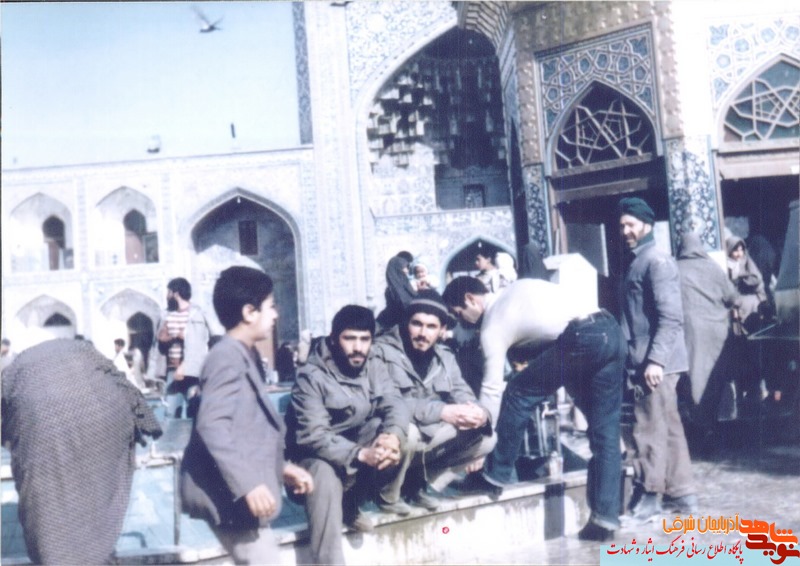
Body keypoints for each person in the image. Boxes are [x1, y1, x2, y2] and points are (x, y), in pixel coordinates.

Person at [442, 276, 626, 541]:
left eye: (459, 313)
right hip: (610, 329)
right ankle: (604, 519)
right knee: (605, 432)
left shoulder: (493, 324)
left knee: (517, 393)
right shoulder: (515, 289)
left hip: (582, 337)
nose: (462, 322)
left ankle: (494, 476)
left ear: (470, 299)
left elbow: (492, 391)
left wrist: (480, 443)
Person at [181, 266, 313, 565]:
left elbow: (245, 431)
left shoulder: (241, 354)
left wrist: (282, 469)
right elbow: (212, 425)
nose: (275, 315)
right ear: (249, 312)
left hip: (238, 496)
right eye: (271, 306)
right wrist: (248, 485)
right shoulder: (226, 357)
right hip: (230, 497)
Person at [1, 339, 162, 564]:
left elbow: (10, 431)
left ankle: (62, 555)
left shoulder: (14, 374)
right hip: (107, 411)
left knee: (44, 504)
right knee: (99, 493)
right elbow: (123, 385)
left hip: (44, 420)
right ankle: (96, 553)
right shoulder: (86, 355)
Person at [284, 305, 415, 565]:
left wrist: (391, 437)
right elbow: (314, 436)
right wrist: (361, 454)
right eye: (350, 338)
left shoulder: (373, 363)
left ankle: (350, 504)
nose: (358, 347)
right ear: (334, 339)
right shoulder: (310, 377)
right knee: (324, 475)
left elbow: (395, 403)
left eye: (364, 339)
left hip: (353, 460)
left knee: (403, 434)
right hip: (313, 462)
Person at [373, 290, 495, 510]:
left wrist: (479, 414)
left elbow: (463, 393)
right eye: (417, 324)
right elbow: (387, 402)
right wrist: (442, 411)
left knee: (486, 438)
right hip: (390, 433)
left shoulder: (446, 357)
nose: (423, 333)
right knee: (408, 432)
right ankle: (387, 494)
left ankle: (417, 485)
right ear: (406, 323)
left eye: (431, 327)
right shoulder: (381, 352)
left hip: (428, 434)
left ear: (442, 330)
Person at [618, 197, 697, 524]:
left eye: (630, 225)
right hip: (651, 359)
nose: (625, 231)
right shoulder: (639, 260)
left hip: (653, 362)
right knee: (669, 426)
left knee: (648, 426)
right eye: (622, 225)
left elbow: (671, 316)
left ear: (647, 225)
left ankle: (650, 498)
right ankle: (683, 495)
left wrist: (655, 361)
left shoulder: (656, 261)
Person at [676, 232, 740, 440]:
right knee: (715, 376)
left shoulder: (675, 269)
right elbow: (733, 298)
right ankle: (710, 423)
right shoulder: (713, 267)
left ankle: (702, 426)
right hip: (716, 332)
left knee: (695, 377)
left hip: (690, 333)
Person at [156, 277, 211, 419]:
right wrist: (172, 337)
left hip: (193, 371)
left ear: (175, 293)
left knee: (195, 411)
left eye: (168, 292)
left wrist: (185, 336)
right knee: (171, 413)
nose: (166, 296)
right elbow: (160, 340)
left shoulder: (197, 314)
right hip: (172, 370)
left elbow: (203, 342)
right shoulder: (167, 314)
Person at [726, 235, 768, 334]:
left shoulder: (746, 260)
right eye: (736, 251)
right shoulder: (726, 264)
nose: (739, 254)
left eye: (741, 250)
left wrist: (741, 276)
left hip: (751, 297)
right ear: (729, 250)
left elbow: (756, 278)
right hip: (736, 300)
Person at [376, 254, 417, 331]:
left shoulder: (409, 286)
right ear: (397, 268)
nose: (407, 271)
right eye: (404, 267)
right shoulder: (391, 291)